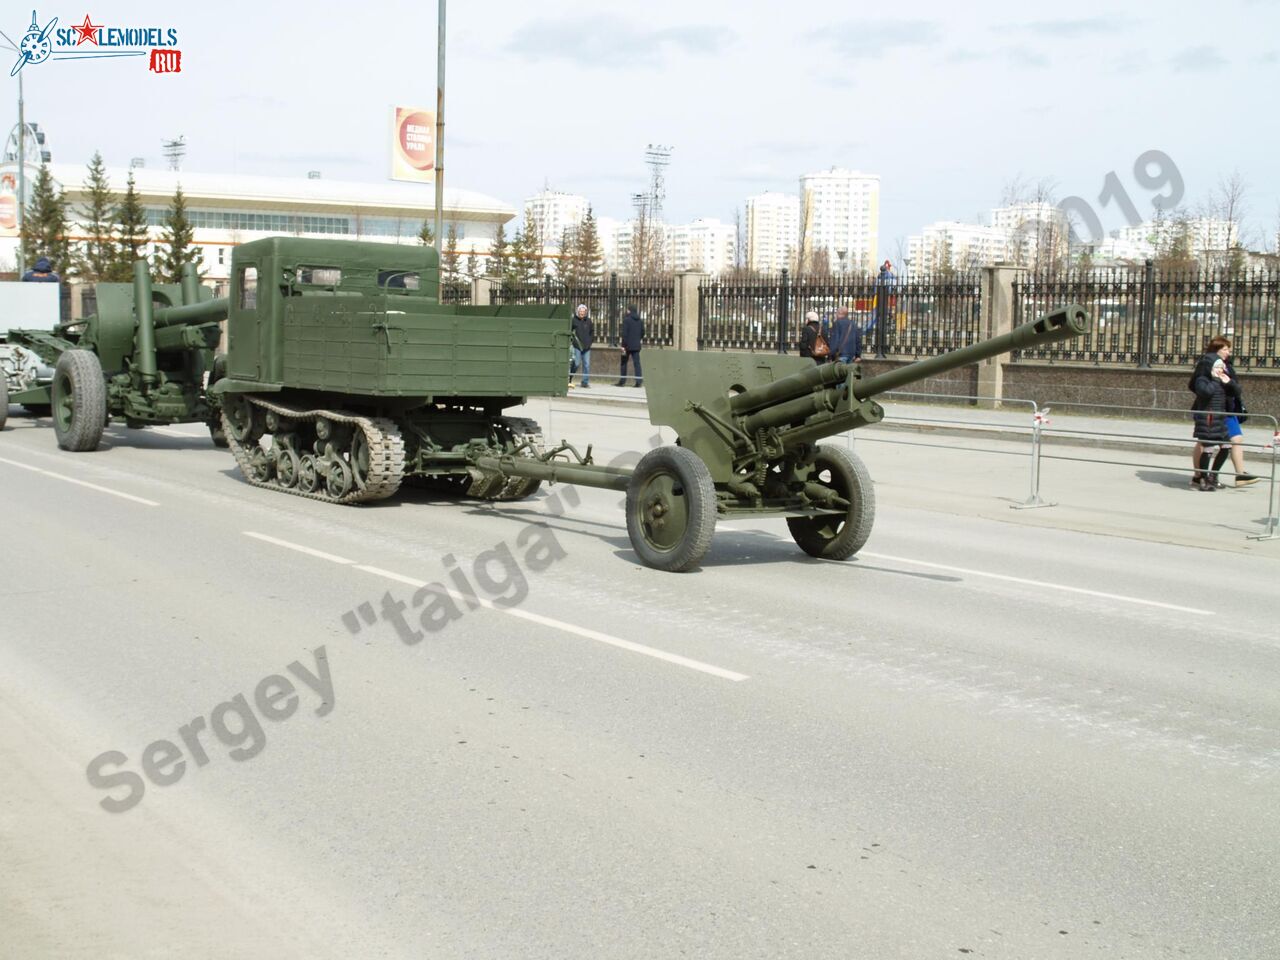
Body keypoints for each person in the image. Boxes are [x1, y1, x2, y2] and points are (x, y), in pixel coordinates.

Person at [1190, 337, 1259, 488]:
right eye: (1225, 349)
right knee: (1206, 444)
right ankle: (1200, 476)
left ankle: (1232, 475)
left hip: (1226, 409)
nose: (1229, 352)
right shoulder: (1206, 366)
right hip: (1209, 411)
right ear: (1216, 350)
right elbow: (1197, 386)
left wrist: (1228, 382)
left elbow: (1236, 388)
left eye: (1229, 349)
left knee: (1233, 441)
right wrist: (1214, 381)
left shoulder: (1226, 366)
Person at [1190, 353, 1234, 492]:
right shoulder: (1201, 380)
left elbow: (1236, 392)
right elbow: (1206, 392)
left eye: (1222, 366)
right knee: (1208, 449)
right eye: (1218, 366)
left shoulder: (1221, 379)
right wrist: (1215, 380)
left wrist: (1229, 382)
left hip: (1220, 419)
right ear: (1210, 367)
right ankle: (1203, 478)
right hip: (1207, 420)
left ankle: (1213, 476)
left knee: (1226, 447)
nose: (1221, 369)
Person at [616, 304, 644, 387]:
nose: (626, 311)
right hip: (636, 345)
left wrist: (623, 345)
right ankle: (639, 381)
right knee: (637, 364)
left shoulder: (626, 320)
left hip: (627, 345)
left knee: (624, 363)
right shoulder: (640, 321)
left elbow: (624, 334)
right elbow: (643, 332)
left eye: (627, 310)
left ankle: (622, 381)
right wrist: (638, 339)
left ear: (630, 310)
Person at [570, 304, 594, 388]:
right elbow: (570, 331)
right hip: (577, 346)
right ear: (578, 311)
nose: (582, 313)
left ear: (586, 312)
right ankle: (570, 377)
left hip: (587, 347)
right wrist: (573, 342)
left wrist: (590, 342)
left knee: (586, 365)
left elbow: (592, 332)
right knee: (576, 363)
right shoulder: (574, 320)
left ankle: (585, 382)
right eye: (580, 311)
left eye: (583, 311)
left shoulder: (589, 321)